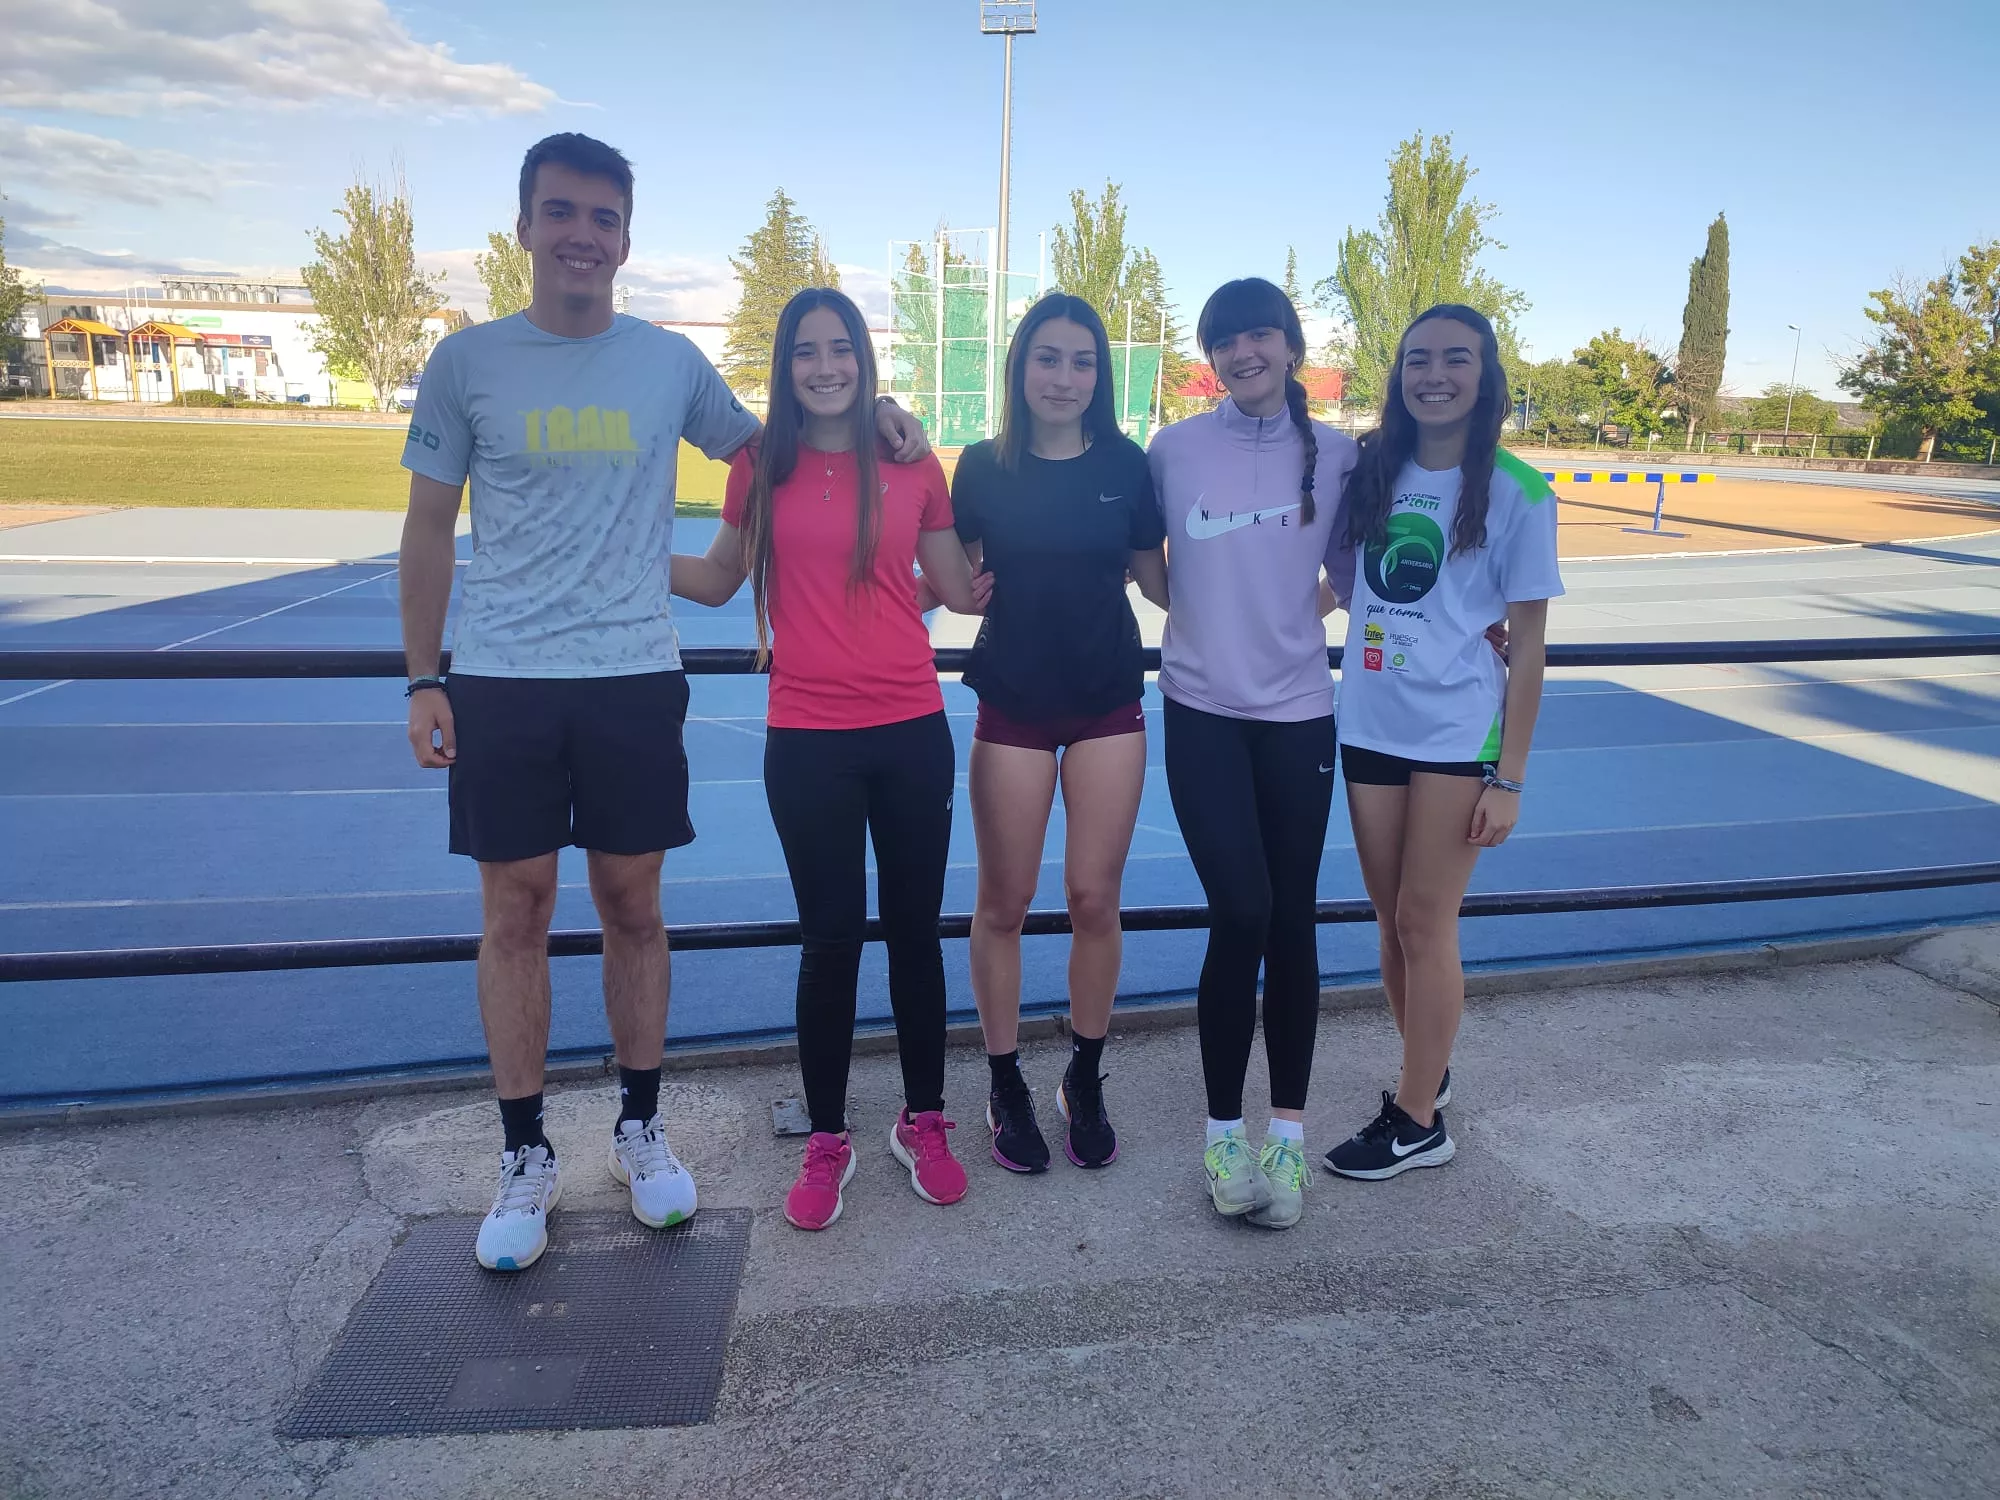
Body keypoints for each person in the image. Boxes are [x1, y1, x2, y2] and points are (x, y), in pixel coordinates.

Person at [398, 133, 930, 1271]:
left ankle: (639, 1129)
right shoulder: (466, 361)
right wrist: (422, 674)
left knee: (634, 908)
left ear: (626, 236)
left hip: (633, 678)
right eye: (560, 212)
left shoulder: (669, 363)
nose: (581, 234)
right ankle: (525, 1152)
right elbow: (425, 528)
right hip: (499, 678)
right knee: (516, 914)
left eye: (601, 216)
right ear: (525, 225)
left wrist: (889, 423)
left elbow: (785, 438)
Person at [670, 288, 982, 1231]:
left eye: (839, 347)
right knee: (831, 942)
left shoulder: (912, 457)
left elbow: (957, 585)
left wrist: (950, 578)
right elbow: (723, 579)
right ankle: (829, 1135)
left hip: (910, 729)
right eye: (805, 350)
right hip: (806, 739)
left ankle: (923, 1119)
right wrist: (624, 545)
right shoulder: (762, 464)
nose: (824, 366)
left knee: (918, 934)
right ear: (786, 364)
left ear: (863, 357)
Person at [1320, 303, 1562, 1181]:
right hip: (1370, 726)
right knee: (1391, 922)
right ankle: (1428, 1068)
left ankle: (1418, 1120)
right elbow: (1347, 589)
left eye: (1455, 359)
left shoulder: (1518, 491)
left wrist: (1513, 777)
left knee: (1428, 921)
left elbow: (1529, 647)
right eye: (1418, 357)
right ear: (1398, 372)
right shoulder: (1372, 471)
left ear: (1485, 374)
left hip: (1461, 737)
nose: (1435, 373)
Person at [1147, 277, 1358, 1229]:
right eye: (1226, 341)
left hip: (1300, 714)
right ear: (1211, 357)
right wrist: (1197, 611)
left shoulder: (1345, 457)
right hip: (1198, 709)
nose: (1245, 354)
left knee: (1293, 922)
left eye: (1261, 336)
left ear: (1291, 347)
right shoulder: (1172, 450)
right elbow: (1136, 552)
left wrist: (1490, 633)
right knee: (1242, 908)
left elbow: (1367, 580)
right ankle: (1221, 1136)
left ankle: (1289, 1140)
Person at [945, 293, 1168, 1174]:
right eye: (1048, 357)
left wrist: (1294, 600)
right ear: (1019, 367)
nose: (1064, 376)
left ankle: (1085, 1070)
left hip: (1107, 698)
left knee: (1092, 900)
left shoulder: (1126, 464)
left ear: (1100, 375)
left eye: (1082, 361)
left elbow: (1162, 584)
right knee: (1003, 903)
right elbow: (939, 575)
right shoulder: (980, 467)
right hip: (1014, 704)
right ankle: (1004, 1081)